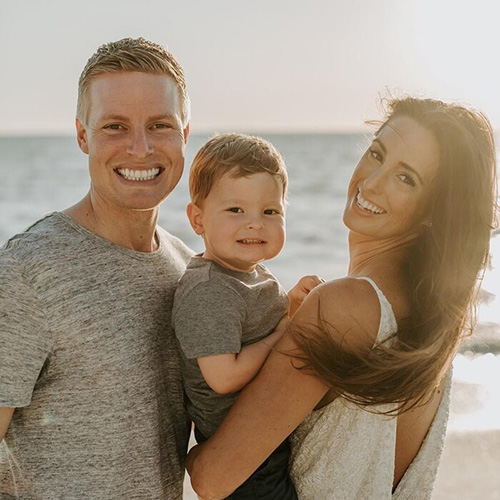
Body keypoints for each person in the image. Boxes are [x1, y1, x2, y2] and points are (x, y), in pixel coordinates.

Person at [186, 97, 498, 499]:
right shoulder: (433, 324)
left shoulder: (345, 306)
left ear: (433, 211)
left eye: (406, 179)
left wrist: (190, 452)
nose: (371, 182)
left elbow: (214, 479)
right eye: (376, 154)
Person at [0, 38, 192, 499]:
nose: (141, 149)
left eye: (159, 125)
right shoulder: (29, 271)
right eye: (115, 126)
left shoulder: (187, 269)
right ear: (83, 135)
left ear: (185, 132)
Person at [172, 133, 322, 499]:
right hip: (243, 453)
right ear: (197, 219)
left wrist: (294, 304)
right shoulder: (210, 289)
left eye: (270, 212)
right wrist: (282, 334)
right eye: (235, 210)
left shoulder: (249, 274)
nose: (255, 223)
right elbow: (224, 377)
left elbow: (258, 326)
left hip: (264, 433)